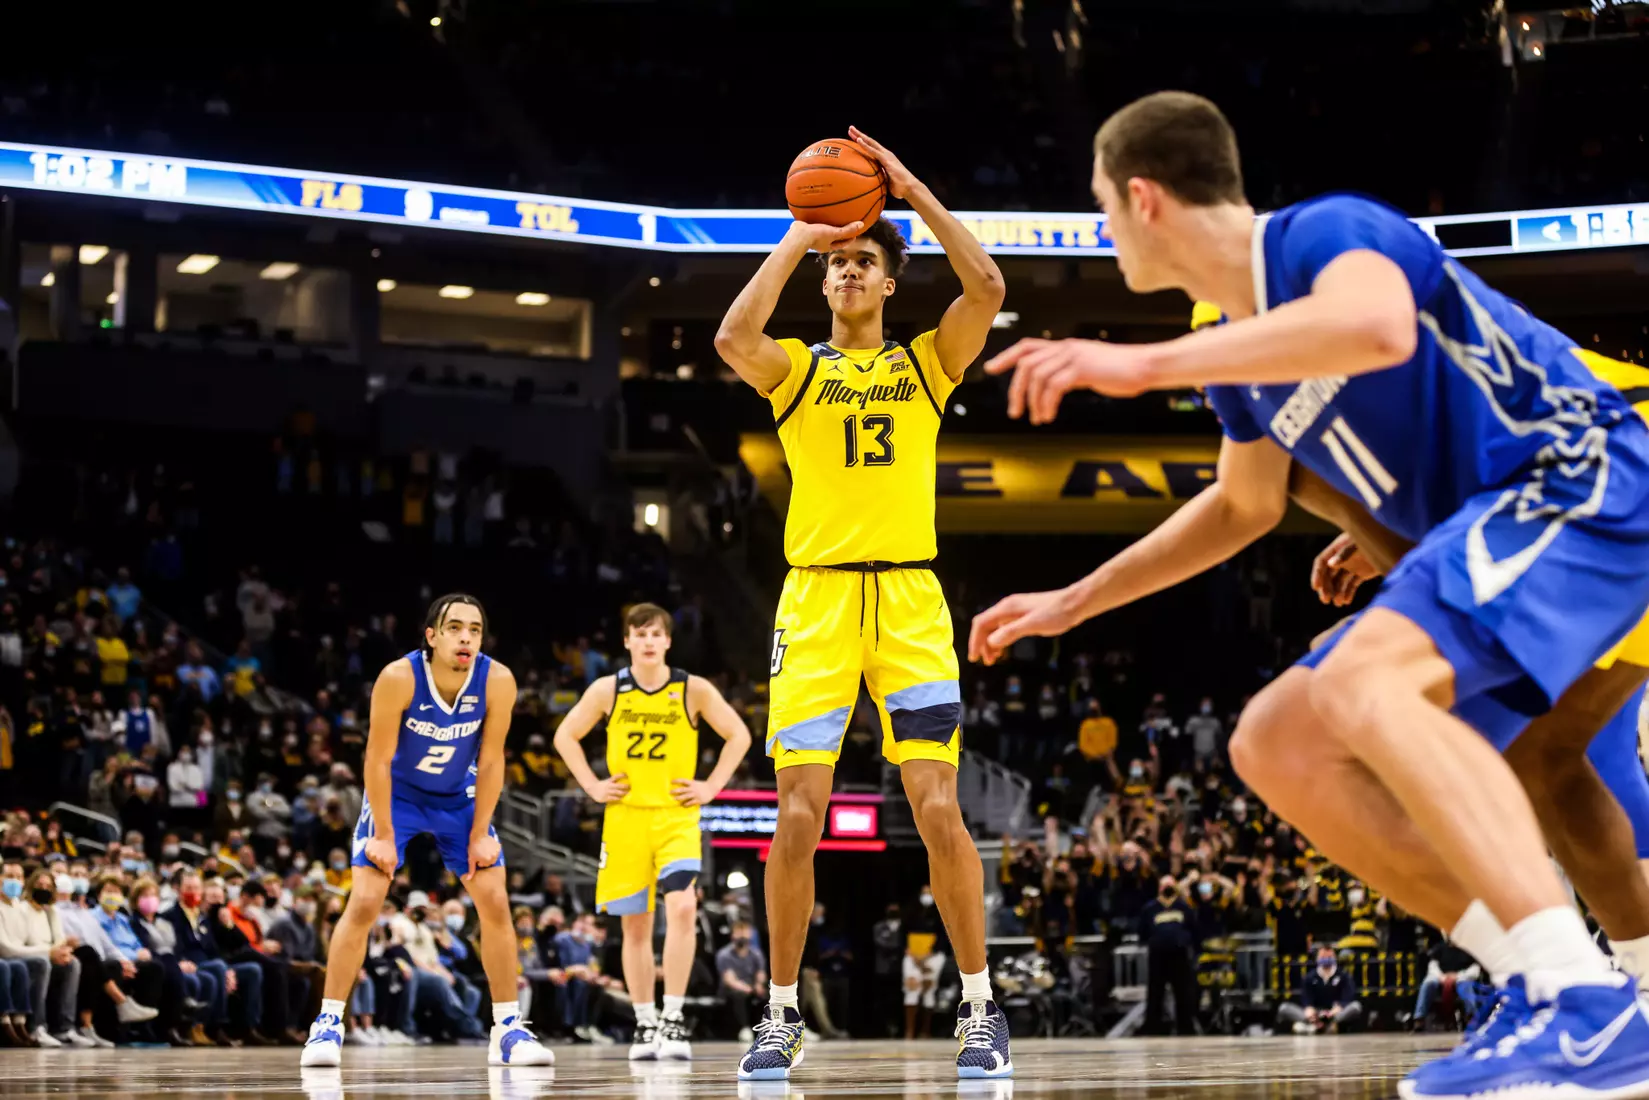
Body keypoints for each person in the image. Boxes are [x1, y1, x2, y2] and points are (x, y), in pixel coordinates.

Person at [971, 91, 1649, 1098]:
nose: (1104, 231)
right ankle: (1545, 984)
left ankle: (1590, 1001)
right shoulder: (1236, 358)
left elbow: (1373, 326)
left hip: (1582, 476)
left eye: (1102, 206)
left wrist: (1141, 364)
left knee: (1386, 693)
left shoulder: (1324, 233)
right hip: (1490, 526)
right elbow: (1241, 506)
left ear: (1143, 198)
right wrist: (1072, 600)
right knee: (1275, 740)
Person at [713, 127, 1010, 1082]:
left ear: (887, 282)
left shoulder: (924, 365)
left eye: (861, 261)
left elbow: (987, 288)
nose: (846, 270)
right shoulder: (798, 371)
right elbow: (731, 339)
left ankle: (979, 1008)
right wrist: (803, 231)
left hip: (910, 603)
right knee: (796, 817)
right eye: (836, 262)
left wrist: (912, 192)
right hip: (815, 605)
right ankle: (780, 1013)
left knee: (937, 807)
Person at [300, 594, 552, 1069]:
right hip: (398, 795)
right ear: (432, 636)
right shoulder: (399, 677)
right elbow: (376, 760)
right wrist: (383, 834)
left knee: (495, 900)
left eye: (475, 629)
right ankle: (328, 1023)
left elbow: (492, 761)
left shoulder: (497, 680)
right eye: (455, 628)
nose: (466, 637)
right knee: (366, 899)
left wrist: (481, 831)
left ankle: (508, 1028)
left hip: (458, 796)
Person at [554, 601, 753, 1062]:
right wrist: (591, 785)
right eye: (639, 634)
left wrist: (711, 786)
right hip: (625, 819)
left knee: (683, 907)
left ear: (667, 641)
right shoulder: (608, 689)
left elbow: (739, 735)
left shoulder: (691, 688)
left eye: (655, 633)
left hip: (675, 817)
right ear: (627, 641)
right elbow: (566, 735)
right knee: (636, 924)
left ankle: (674, 1016)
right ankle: (645, 1022)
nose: (648, 641)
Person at [1137, 875, 1196, 1036]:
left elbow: (1192, 928)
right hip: (1158, 956)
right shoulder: (1150, 908)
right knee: (1155, 993)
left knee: (1182, 992)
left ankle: (1185, 1028)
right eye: (1164, 885)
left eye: (1170, 885)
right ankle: (1153, 1028)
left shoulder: (1183, 907)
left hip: (1179, 955)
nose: (1167, 888)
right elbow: (1142, 932)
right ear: (1159, 888)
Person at [1278, 944, 1364, 1035]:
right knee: (1284, 1008)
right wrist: (1310, 1011)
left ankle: (1328, 1025)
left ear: (1335, 958)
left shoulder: (1344, 976)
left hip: (1334, 1013)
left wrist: (1334, 1011)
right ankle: (1315, 1026)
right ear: (1317, 958)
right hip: (1315, 1013)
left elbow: (1347, 998)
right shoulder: (1309, 977)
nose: (1326, 959)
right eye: (1323, 957)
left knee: (1356, 1006)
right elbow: (1307, 1000)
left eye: (1329, 957)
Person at [715, 920, 768, 1042]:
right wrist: (746, 988)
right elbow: (729, 979)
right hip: (731, 989)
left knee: (767, 995)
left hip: (751, 987)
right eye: (739, 933)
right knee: (739, 995)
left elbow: (760, 973)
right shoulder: (724, 954)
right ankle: (744, 1028)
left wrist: (758, 985)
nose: (742, 936)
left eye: (745, 933)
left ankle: (768, 1027)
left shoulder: (756, 954)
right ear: (733, 935)